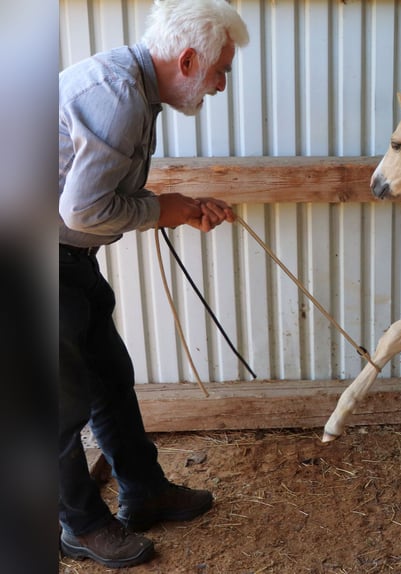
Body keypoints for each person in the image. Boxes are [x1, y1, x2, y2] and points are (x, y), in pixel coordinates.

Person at [58, 0, 249, 567]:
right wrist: (161, 210)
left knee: (109, 377)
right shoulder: (118, 98)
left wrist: (174, 206)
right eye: (220, 71)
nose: (220, 85)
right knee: (59, 403)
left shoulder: (135, 89)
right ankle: (81, 526)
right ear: (188, 60)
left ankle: (143, 493)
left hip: (69, 259)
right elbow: (84, 212)